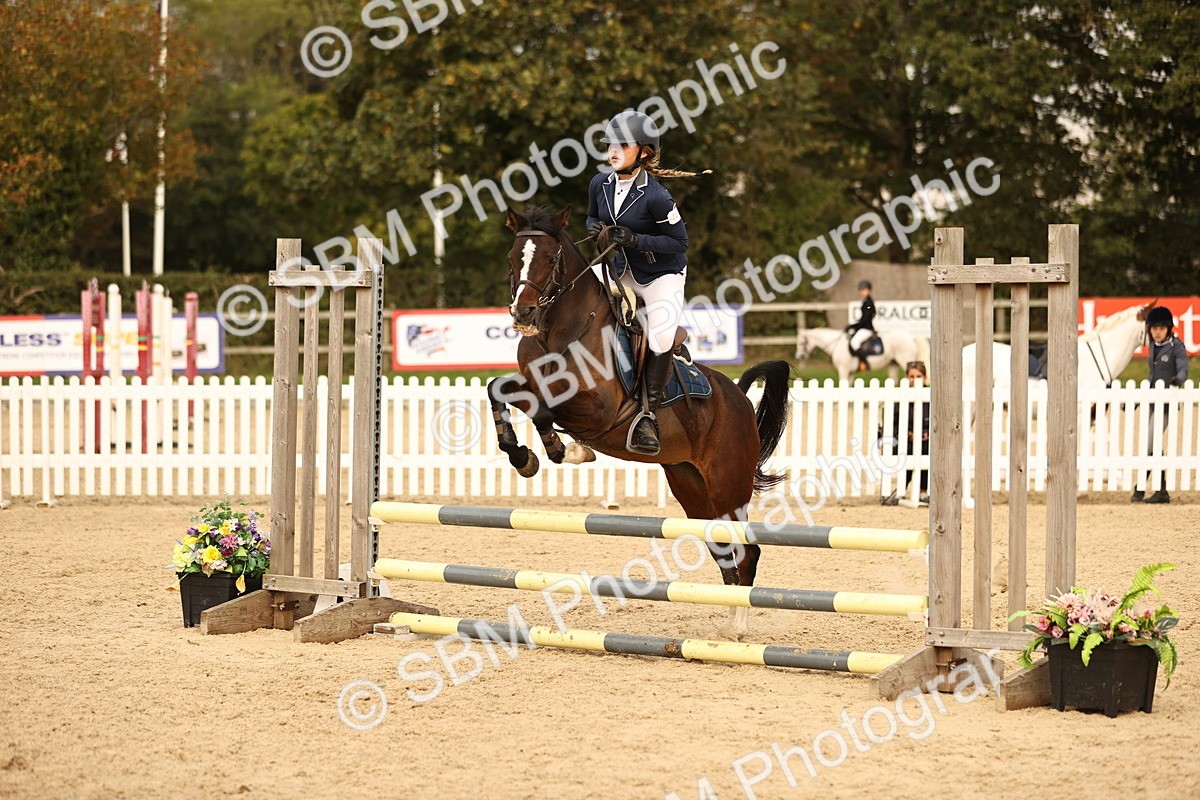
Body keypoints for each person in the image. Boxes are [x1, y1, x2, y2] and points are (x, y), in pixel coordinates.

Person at [585, 110, 699, 456]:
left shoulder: (657, 197)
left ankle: (648, 415)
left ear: (644, 152)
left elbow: (679, 242)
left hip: (659, 275)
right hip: (621, 270)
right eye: (610, 145)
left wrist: (636, 240)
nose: (613, 151)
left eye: (622, 145)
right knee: (580, 298)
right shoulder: (600, 184)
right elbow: (592, 216)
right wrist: (595, 229)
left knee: (660, 336)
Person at [1133, 306, 1189, 504]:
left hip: (1167, 404)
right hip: (1152, 402)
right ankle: (1160, 490)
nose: (1157, 332)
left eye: (1161, 328)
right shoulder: (1153, 347)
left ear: (1168, 329)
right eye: (1154, 328)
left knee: (1150, 441)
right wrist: (1136, 400)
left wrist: (1178, 379)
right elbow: (1152, 376)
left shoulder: (1177, 346)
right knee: (1153, 443)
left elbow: (1183, 368)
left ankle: (1141, 487)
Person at [881, 361, 930, 506]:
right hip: (903, 440)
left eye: (918, 376)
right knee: (908, 450)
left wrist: (925, 434)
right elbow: (891, 423)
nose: (915, 380)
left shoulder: (931, 396)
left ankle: (922, 491)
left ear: (925, 377)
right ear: (906, 377)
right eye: (911, 376)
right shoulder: (898, 397)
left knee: (926, 449)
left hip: (926, 440)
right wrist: (907, 434)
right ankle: (901, 489)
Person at [845, 280, 877, 372]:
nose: (862, 292)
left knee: (854, 343)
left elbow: (866, 319)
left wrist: (853, 326)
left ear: (869, 290)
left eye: (864, 290)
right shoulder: (866, 302)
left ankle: (864, 363)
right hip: (864, 327)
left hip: (866, 329)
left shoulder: (869, 303)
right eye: (861, 290)